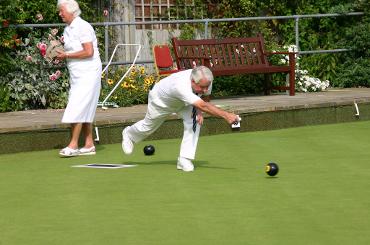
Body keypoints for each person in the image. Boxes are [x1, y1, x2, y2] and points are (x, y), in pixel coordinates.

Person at [122, 66, 240, 172]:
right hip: (162, 101)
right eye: (202, 87)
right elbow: (203, 104)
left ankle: (184, 159)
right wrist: (227, 115)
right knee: (148, 127)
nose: (205, 89)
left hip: (185, 103)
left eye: (207, 86)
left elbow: (205, 97)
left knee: (195, 121)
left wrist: (199, 110)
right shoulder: (180, 85)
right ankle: (129, 134)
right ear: (192, 81)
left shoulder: (206, 79)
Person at [56, 0, 102, 157]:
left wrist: (66, 55)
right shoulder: (68, 28)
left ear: (71, 11)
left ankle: (73, 145)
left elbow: (88, 52)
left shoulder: (82, 26)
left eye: (62, 10)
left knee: (77, 106)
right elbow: (74, 50)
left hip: (88, 72)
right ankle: (89, 144)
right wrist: (60, 54)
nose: (60, 13)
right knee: (85, 106)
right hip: (77, 73)